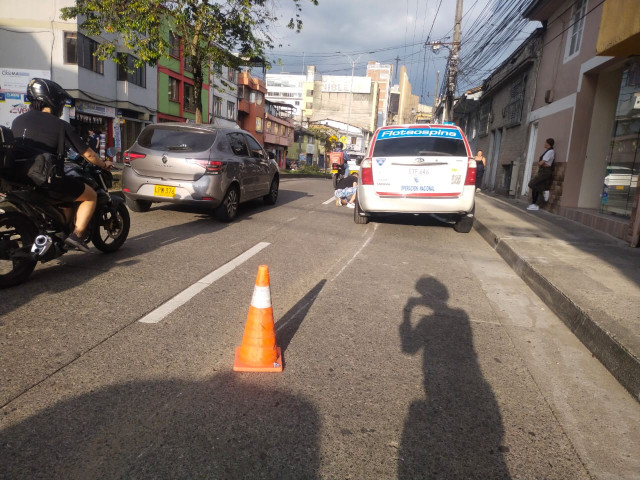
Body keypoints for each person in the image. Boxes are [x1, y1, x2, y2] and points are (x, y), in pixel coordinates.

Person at [11, 78, 113, 252]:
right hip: (45, 179)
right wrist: (103, 164)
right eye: (61, 102)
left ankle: (60, 229)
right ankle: (77, 236)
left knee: (68, 192)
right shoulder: (60, 124)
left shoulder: (18, 120)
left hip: (19, 179)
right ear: (53, 101)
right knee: (90, 195)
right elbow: (88, 154)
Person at [527, 138, 555, 211]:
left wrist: (540, 164)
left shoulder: (550, 151)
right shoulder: (548, 151)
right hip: (543, 171)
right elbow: (542, 163)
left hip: (545, 171)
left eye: (545, 142)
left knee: (532, 184)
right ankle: (534, 204)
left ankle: (544, 191)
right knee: (536, 186)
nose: (544, 144)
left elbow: (541, 163)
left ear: (548, 144)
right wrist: (541, 164)